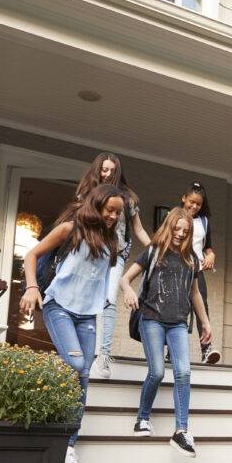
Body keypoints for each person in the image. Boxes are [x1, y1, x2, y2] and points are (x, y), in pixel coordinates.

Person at [20, 184, 125, 463]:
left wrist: (111, 297)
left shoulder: (110, 243)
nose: (114, 216)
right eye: (110, 210)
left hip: (87, 315)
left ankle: (67, 446)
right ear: (97, 205)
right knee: (77, 363)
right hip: (59, 306)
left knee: (83, 374)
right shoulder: (70, 230)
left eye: (118, 212)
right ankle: (50, 394)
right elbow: (31, 255)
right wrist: (31, 288)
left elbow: (107, 277)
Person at [120, 207, 212, 456]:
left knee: (183, 371)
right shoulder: (154, 250)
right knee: (158, 371)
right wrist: (128, 291)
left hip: (178, 323)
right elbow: (125, 279)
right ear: (169, 226)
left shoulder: (191, 259)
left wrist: (205, 322)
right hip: (152, 319)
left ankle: (181, 431)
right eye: (177, 228)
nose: (181, 233)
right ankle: (142, 418)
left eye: (186, 230)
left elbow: (194, 294)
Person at [69, 152, 151, 380]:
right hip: (90, 253)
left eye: (112, 171)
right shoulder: (87, 193)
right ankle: (79, 352)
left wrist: (155, 248)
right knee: (83, 299)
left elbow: (139, 229)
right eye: (104, 170)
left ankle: (103, 357)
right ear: (97, 169)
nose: (107, 174)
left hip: (116, 255)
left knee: (108, 301)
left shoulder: (128, 199)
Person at [181, 181, 221, 364]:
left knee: (201, 307)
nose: (194, 206)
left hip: (197, 269)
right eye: (192, 202)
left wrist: (211, 255)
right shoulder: (174, 217)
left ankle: (206, 350)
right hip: (177, 267)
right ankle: (171, 350)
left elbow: (208, 247)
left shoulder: (204, 222)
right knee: (178, 308)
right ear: (184, 199)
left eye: (198, 204)